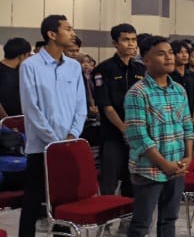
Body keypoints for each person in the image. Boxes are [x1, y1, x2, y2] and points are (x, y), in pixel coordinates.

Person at [19, 15, 87, 237]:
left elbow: (81, 106)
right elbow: (31, 109)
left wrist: (72, 135)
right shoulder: (30, 66)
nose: (72, 33)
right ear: (51, 34)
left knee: (65, 201)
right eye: (68, 29)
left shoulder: (74, 67)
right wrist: (54, 141)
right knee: (33, 201)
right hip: (41, 147)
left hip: (69, 144)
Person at [124, 36, 194, 237]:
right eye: (161, 54)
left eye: (171, 53)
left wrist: (188, 157)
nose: (169, 57)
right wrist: (164, 164)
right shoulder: (137, 93)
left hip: (177, 167)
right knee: (142, 224)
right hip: (149, 170)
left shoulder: (179, 90)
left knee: (169, 220)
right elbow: (139, 137)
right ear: (146, 60)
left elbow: (187, 126)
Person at [92, 23, 144, 207]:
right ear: (115, 43)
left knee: (133, 183)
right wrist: (124, 129)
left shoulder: (140, 70)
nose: (131, 44)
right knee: (109, 183)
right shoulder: (104, 69)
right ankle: (105, 220)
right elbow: (106, 106)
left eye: (133, 40)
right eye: (126, 40)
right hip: (113, 135)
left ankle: (129, 219)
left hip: (136, 137)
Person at [169, 40, 194, 128]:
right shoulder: (169, 76)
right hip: (173, 120)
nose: (184, 55)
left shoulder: (192, 75)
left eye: (186, 52)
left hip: (189, 118)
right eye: (180, 52)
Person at [0, 37, 32, 118]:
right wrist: (6, 119)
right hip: (6, 121)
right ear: (21, 56)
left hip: (20, 118)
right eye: (28, 55)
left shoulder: (21, 70)